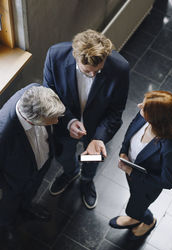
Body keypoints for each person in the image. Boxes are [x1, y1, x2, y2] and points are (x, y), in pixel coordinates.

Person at [43, 29, 130, 209]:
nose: (93, 75)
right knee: (64, 155)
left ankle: (87, 180)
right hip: (63, 124)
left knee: (92, 160)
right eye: (87, 71)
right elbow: (49, 95)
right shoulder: (55, 55)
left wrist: (98, 138)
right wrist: (68, 121)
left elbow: (116, 111)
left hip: (97, 128)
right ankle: (70, 172)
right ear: (76, 56)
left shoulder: (120, 68)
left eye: (98, 71)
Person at [0, 83, 65, 249]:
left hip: (39, 166)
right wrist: (10, 185)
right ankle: (7, 225)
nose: (56, 122)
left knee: (31, 192)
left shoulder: (36, 91)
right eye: (51, 120)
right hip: (15, 182)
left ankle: (27, 207)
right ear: (31, 120)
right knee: (10, 203)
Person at [109, 91, 172, 240]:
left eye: (144, 107)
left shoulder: (171, 148)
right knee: (133, 196)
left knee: (134, 208)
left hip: (147, 186)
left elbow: (167, 182)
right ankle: (137, 216)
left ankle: (147, 220)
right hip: (131, 170)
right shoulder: (144, 115)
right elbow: (132, 128)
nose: (139, 106)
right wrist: (123, 151)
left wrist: (132, 171)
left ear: (156, 119)